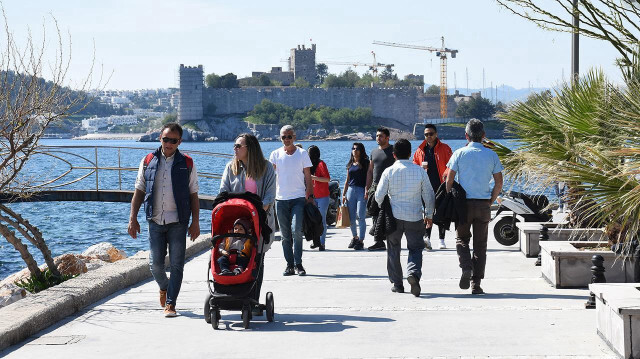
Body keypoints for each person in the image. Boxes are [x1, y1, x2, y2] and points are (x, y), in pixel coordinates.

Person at [128, 122, 200, 317]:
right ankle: (165, 287)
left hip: (178, 221)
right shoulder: (147, 160)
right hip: (155, 220)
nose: (168, 143)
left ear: (179, 142)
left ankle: (171, 303)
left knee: (177, 264)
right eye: (166, 139)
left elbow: (194, 194)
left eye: (173, 141)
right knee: (155, 264)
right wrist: (132, 218)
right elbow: (139, 190)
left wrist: (195, 222)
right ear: (160, 137)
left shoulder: (187, 163)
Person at [446, 119, 503, 295]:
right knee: (480, 245)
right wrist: (491, 200)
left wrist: (450, 198)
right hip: (483, 203)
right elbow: (499, 182)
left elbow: (449, 179)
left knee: (462, 239)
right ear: (483, 136)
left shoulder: (459, 153)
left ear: (466, 136)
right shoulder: (491, 155)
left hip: (463, 205)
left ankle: (466, 266)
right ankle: (476, 284)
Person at [220, 133, 276, 315]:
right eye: (234, 145)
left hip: (259, 221)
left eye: (238, 146)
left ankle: (253, 299)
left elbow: (269, 196)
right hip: (236, 223)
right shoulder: (231, 167)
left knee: (256, 259)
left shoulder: (266, 168)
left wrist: (257, 214)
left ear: (249, 148)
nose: (234, 149)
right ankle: (234, 295)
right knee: (234, 258)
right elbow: (223, 191)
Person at [375, 139, 435, 297]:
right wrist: (429, 215)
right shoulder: (419, 171)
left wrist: (384, 205)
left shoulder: (388, 171)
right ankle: (413, 273)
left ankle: (397, 284)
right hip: (414, 216)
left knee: (393, 249)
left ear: (394, 155)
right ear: (410, 154)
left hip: (393, 217)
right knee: (415, 248)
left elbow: (378, 196)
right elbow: (429, 195)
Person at [269, 125, 313, 276]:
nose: (286, 139)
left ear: (294, 137)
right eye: (283, 137)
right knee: (285, 234)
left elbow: (308, 175)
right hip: (280, 199)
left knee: (296, 231)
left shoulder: (302, 153)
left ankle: (298, 264)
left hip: (298, 198)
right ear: (280, 138)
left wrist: (310, 193)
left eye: (289, 136)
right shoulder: (275, 154)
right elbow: (270, 176)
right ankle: (289, 265)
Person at [412, 124, 453, 250]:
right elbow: (414, 165)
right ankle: (427, 238)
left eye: (431, 134)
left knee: (441, 212)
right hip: (425, 186)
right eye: (426, 134)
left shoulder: (445, 148)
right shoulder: (420, 150)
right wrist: (420, 169)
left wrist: (447, 177)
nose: (428, 136)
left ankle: (441, 240)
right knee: (427, 213)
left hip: (441, 185)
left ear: (436, 134)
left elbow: (451, 165)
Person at [365, 127, 395, 251]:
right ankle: (378, 241)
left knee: (389, 214)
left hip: (390, 188)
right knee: (374, 213)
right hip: (375, 187)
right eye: (377, 136)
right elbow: (370, 171)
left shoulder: (393, 151)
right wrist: (367, 188)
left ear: (387, 138)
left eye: (381, 136)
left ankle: (391, 239)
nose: (378, 138)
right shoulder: (373, 152)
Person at [342, 142, 369, 250]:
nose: (354, 150)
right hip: (351, 191)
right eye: (353, 148)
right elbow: (347, 180)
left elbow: (368, 178)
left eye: (357, 148)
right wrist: (343, 194)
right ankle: (355, 237)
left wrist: (367, 190)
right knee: (352, 217)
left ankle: (361, 240)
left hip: (361, 190)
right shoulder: (350, 164)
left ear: (361, 150)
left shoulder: (366, 163)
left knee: (361, 216)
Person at [308, 145, 330, 251]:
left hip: (322, 196)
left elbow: (327, 179)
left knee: (322, 220)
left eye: (310, 153)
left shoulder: (321, 164)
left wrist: (314, 178)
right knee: (312, 220)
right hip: (312, 196)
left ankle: (322, 243)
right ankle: (316, 241)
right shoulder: (308, 165)